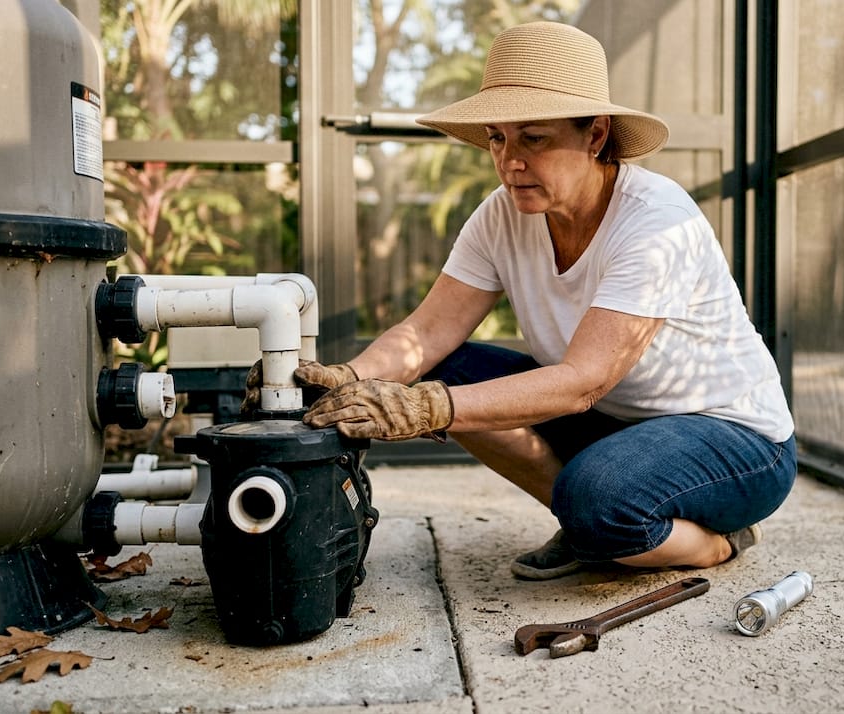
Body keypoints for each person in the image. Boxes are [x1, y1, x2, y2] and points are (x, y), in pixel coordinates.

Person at [248, 21, 796, 580]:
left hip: (735, 440)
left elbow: (585, 380)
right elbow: (427, 334)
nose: (510, 161)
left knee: (599, 499)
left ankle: (711, 544)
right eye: (497, 137)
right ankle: (588, 525)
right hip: (619, 425)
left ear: (596, 135)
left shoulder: (657, 221)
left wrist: (429, 408)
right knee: (446, 366)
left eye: (534, 138)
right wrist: (348, 377)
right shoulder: (501, 214)